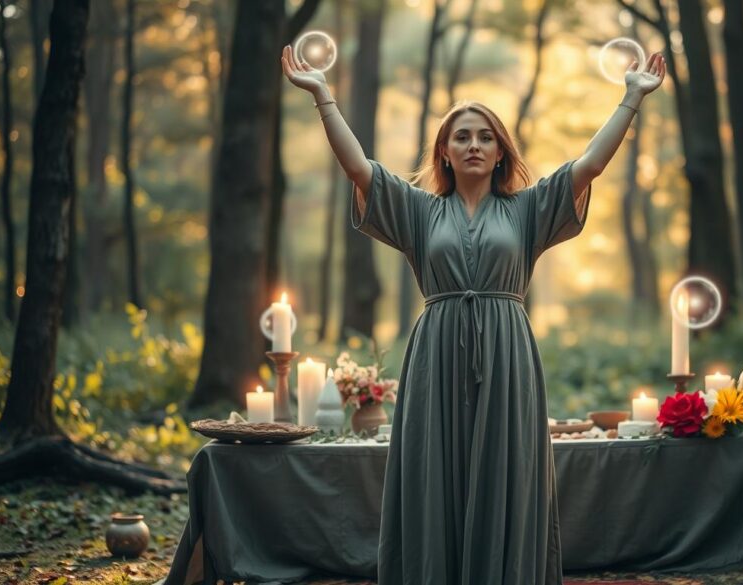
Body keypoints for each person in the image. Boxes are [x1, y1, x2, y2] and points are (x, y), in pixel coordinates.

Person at [281, 44, 665, 585]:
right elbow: (358, 168)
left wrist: (631, 98)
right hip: (435, 354)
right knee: (434, 471)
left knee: (507, 469)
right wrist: (323, 95)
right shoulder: (419, 209)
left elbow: (590, 165)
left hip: (507, 354)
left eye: (486, 137)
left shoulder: (527, 208)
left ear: (501, 151)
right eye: (462, 136)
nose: (474, 145)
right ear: (444, 151)